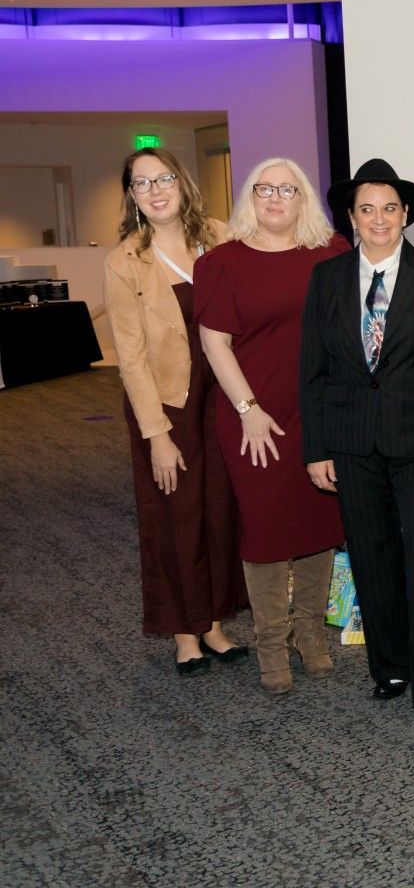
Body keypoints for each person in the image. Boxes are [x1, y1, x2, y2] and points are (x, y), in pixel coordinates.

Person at [299, 159, 414, 729]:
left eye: (390, 208)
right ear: (351, 217)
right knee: (371, 554)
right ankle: (392, 665)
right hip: (352, 441)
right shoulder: (327, 278)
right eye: (366, 208)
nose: (378, 218)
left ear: (406, 217)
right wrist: (318, 447)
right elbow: (313, 368)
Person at [195, 157, 349, 694]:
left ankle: (310, 635)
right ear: (250, 197)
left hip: (316, 412)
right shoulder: (222, 262)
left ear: (303, 197)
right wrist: (248, 409)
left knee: (319, 520)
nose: (276, 198)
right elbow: (214, 342)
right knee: (265, 529)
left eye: (288, 189)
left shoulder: (329, 254)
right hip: (252, 416)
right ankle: (270, 643)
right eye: (265, 189)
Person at [103, 147, 247, 677]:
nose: (155, 190)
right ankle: (185, 631)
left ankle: (212, 623)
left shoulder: (218, 236)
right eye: (142, 184)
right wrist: (157, 434)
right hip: (167, 406)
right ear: (133, 197)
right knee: (174, 516)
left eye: (163, 178)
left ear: (181, 182)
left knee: (217, 509)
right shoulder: (125, 261)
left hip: (221, 398)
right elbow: (131, 357)